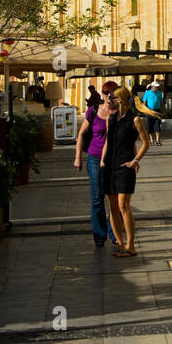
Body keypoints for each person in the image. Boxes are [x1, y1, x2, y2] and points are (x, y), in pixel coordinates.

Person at [101, 86, 155, 257]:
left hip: (125, 166)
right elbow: (108, 142)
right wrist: (102, 161)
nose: (108, 101)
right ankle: (120, 244)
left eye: (111, 98)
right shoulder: (111, 119)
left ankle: (131, 246)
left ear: (119, 100)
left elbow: (146, 143)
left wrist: (135, 160)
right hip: (109, 166)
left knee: (123, 206)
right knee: (112, 207)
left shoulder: (135, 119)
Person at [74, 89, 116, 247]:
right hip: (94, 158)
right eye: (106, 92)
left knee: (113, 197)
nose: (109, 96)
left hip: (113, 159)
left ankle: (113, 233)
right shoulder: (93, 111)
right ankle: (99, 235)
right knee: (97, 197)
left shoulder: (118, 113)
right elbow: (81, 134)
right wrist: (78, 157)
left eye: (112, 93)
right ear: (102, 94)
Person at [143, 80, 165, 146]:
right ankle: (151, 140)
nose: (157, 88)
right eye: (156, 87)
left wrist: (163, 111)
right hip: (149, 111)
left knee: (157, 125)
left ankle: (157, 140)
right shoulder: (147, 93)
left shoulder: (159, 93)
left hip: (157, 110)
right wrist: (145, 111)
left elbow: (161, 102)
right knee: (149, 125)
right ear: (152, 87)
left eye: (157, 87)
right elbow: (144, 102)